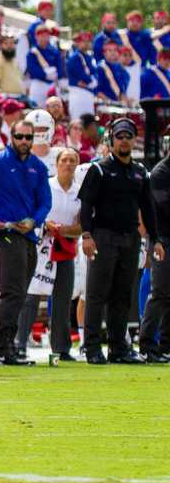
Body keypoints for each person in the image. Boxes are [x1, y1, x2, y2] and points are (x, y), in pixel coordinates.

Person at [77, 117, 163, 364]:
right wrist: (86, 235)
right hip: (103, 236)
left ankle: (118, 349)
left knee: (122, 295)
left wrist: (155, 240)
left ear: (134, 139)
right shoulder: (99, 169)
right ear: (111, 140)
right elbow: (86, 206)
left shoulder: (140, 173)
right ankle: (92, 348)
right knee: (96, 293)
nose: (124, 141)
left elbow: (148, 209)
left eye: (128, 136)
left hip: (130, 238)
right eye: (119, 136)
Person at [0, 118, 51, 366]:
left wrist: (35, 220)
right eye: (19, 136)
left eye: (28, 137)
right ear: (11, 137)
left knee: (19, 294)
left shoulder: (37, 167)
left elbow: (45, 201)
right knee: (12, 293)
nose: (23, 141)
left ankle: (6, 346)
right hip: (6, 234)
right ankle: (0, 349)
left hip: (29, 235)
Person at [15, 148, 82, 362]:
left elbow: (81, 225)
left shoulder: (79, 191)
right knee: (31, 295)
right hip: (41, 245)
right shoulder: (47, 186)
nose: (68, 164)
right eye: (64, 160)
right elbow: (34, 211)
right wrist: (46, 226)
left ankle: (61, 347)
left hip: (65, 248)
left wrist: (63, 230)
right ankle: (20, 344)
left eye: (73, 160)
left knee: (63, 296)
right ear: (57, 163)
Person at [142, 142, 170, 364]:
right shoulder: (160, 173)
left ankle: (166, 345)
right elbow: (165, 206)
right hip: (163, 240)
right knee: (159, 292)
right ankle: (147, 344)